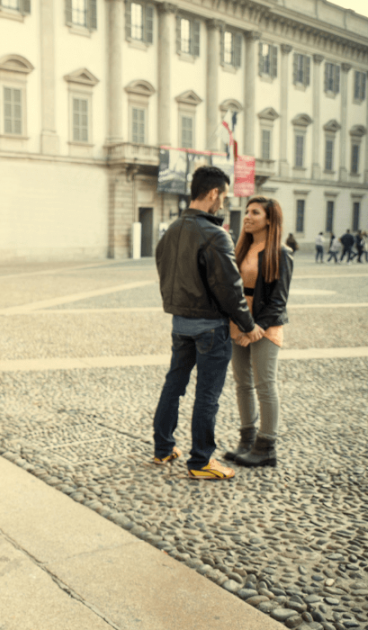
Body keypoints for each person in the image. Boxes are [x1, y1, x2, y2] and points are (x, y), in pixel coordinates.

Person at [153, 166, 262, 480]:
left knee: (173, 385)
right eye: (223, 196)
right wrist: (246, 322)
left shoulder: (171, 230)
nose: (222, 203)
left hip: (180, 323)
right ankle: (201, 461)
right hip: (209, 327)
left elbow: (165, 273)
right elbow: (230, 287)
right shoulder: (216, 234)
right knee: (207, 395)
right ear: (214, 193)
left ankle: (163, 449)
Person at [223, 197, 293, 467]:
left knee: (265, 385)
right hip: (239, 323)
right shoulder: (241, 249)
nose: (248, 216)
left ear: (269, 219)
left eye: (255, 212)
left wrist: (258, 328)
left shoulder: (280, 253)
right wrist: (241, 323)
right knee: (242, 384)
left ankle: (266, 446)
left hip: (265, 326)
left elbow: (279, 300)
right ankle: (247, 439)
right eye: (247, 211)